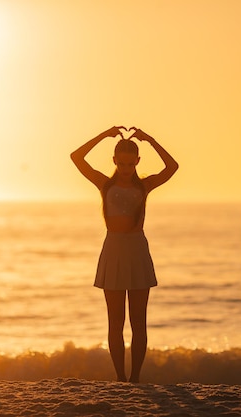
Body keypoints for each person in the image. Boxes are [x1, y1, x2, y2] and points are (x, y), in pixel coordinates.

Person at [70, 126, 179, 382]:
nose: (127, 168)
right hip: (113, 251)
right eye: (122, 163)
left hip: (137, 252)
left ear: (138, 162)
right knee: (115, 322)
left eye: (131, 163)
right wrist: (103, 135)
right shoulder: (104, 184)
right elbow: (76, 157)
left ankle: (136, 378)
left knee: (138, 322)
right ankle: (120, 377)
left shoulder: (145, 186)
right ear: (115, 161)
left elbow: (172, 167)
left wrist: (150, 139)